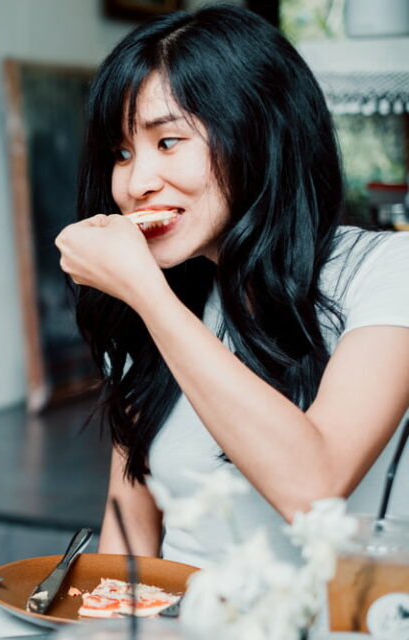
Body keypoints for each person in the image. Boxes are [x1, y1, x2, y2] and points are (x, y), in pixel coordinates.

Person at [55, 5, 409, 568]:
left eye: (168, 142)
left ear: (258, 133)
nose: (137, 182)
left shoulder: (387, 270)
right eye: (121, 153)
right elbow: (129, 544)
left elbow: (314, 488)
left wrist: (147, 295)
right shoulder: (162, 305)